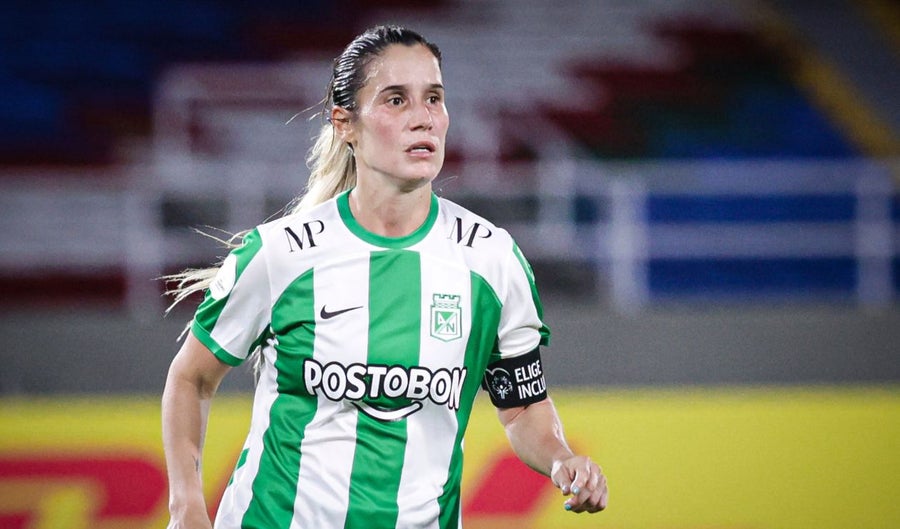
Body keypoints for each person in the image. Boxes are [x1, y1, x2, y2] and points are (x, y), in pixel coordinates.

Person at [161, 24, 608, 529]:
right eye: (396, 100)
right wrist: (186, 506)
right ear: (344, 124)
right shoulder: (281, 255)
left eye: (434, 98)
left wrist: (561, 459)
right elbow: (191, 378)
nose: (423, 118)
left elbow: (523, 408)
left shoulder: (491, 260)